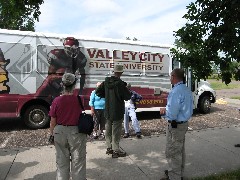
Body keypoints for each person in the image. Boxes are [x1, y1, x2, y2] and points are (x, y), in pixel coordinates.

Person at [49, 73, 87, 180]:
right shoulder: (79, 99)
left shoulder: (57, 100)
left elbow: (53, 121)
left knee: (61, 161)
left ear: (62, 84)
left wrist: (52, 134)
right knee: (78, 161)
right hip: (76, 132)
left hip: (59, 131)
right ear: (74, 85)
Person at [160, 68, 193, 180]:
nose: (170, 78)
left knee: (172, 152)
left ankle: (174, 176)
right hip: (183, 124)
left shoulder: (176, 91)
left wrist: (163, 112)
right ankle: (179, 173)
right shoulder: (186, 89)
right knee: (179, 150)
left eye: (170, 76)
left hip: (175, 126)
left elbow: (172, 114)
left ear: (173, 76)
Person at [95, 64, 131, 158]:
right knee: (116, 131)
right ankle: (116, 150)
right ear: (121, 73)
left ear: (114, 72)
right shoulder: (121, 84)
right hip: (117, 110)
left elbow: (98, 92)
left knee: (108, 129)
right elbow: (128, 96)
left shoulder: (106, 82)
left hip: (107, 110)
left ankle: (109, 148)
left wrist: (107, 96)